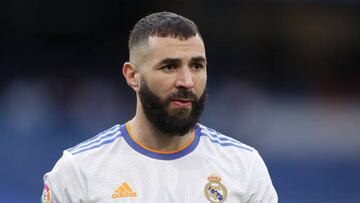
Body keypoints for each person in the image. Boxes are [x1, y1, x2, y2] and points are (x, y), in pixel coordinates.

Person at [41, 11, 278, 203]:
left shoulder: (244, 166)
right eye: (169, 67)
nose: (186, 81)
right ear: (132, 75)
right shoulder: (79, 170)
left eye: (196, 66)